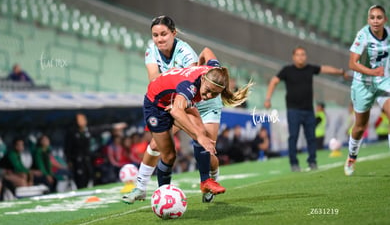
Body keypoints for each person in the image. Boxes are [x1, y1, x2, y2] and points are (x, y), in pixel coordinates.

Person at [123, 16, 227, 204]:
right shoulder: (152, 51)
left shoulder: (185, 53)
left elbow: (198, 76)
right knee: (161, 146)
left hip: (201, 100)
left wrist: (215, 71)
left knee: (208, 148)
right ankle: (141, 188)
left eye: (164, 34)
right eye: (155, 35)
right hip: (179, 99)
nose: (159, 39)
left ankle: (210, 183)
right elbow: (155, 81)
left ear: (174, 33)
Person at [142, 58, 252, 196]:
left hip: (176, 99)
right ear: (204, 80)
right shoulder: (190, 86)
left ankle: (205, 182)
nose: (208, 96)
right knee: (168, 153)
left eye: (215, 94)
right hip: (156, 103)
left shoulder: (213, 72)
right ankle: (151, 190)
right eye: (208, 91)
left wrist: (198, 63)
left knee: (201, 133)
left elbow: (207, 53)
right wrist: (199, 136)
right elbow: (177, 111)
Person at [264, 46, 348, 172]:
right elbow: (274, 81)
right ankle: (294, 163)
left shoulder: (310, 69)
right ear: (293, 57)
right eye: (298, 54)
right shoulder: (287, 70)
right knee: (293, 137)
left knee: (311, 137)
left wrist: (340, 72)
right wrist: (268, 99)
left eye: (303, 54)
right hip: (293, 110)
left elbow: (325, 69)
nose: (301, 57)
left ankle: (312, 161)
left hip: (308, 110)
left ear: (306, 56)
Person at [344, 5, 390, 176]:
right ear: (368, 20)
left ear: (385, 20)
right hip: (363, 84)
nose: (375, 21)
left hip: (384, 83)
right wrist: (372, 72)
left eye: (379, 17)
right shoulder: (363, 36)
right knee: (360, 126)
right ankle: (351, 157)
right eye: (372, 17)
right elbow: (352, 63)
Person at [64, 113, 93, 189]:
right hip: (76, 160)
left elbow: (100, 129)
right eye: (80, 120)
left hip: (86, 159)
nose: (82, 121)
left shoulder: (87, 131)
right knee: (79, 179)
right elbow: (67, 148)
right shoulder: (72, 133)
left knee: (88, 176)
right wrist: (69, 160)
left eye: (83, 119)